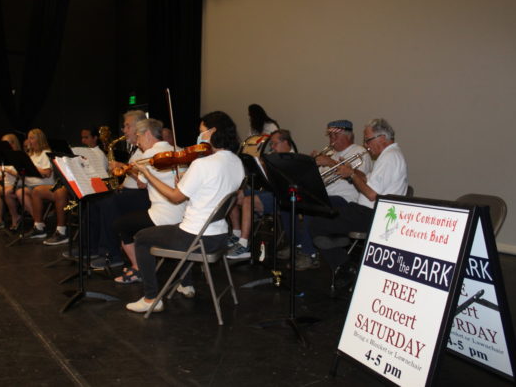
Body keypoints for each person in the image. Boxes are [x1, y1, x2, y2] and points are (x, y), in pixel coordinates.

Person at [125, 111, 244, 313]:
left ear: (213, 132)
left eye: (202, 132)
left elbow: (174, 197)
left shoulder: (202, 164)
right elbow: (212, 194)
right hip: (220, 236)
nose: (200, 137)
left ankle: (150, 298)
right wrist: (186, 186)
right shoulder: (236, 162)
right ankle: (185, 283)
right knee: (173, 228)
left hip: (196, 238)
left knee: (141, 238)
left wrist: (147, 174)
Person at [308, 118, 408, 281]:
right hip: (366, 210)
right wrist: (351, 171)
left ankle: (346, 266)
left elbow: (371, 195)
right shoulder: (390, 155)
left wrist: (352, 175)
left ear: (382, 138)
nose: (366, 145)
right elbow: (368, 180)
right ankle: (342, 251)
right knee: (323, 218)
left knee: (315, 223)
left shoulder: (389, 157)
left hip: (371, 214)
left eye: (368, 140)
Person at [112, 119, 186, 283]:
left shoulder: (148, 155)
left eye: (138, 137)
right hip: (184, 214)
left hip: (163, 215)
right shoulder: (178, 150)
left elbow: (141, 184)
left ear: (147, 134)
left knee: (120, 225)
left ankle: (138, 268)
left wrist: (130, 170)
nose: (137, 142)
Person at [86, 110, 151, 269]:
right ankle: (91, 248)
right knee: (93, 200)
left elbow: (145, 180)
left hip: (143, 195)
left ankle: (111, 254)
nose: (123, 130)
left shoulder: (149, 149)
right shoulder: (136, 149)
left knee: (109, 203)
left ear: (139, 127)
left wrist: (123, 167)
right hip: (130, 192)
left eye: (127, 126)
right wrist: (120, 185)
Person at [29, 127, 108, 245]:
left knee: (60, 192)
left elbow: (98, 177)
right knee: (37, 191)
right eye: (82, 138)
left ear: (95, 138)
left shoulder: (99, 154)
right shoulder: (80, 152)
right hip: (75, 185)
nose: (83, 141)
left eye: (86, 137)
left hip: (88, 189)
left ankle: (62, 231)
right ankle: (39, 227)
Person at [227, 129, 294, 259]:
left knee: (248, 200)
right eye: (272, 144)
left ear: (285, 142)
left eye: (275, 144)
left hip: (283, 198)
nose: (272, 147)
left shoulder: (294, 159)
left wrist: (267, 169)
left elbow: (285, 185)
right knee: (234, 193)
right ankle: (236, 233)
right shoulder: (274, 156)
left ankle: (243, 244)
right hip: (270, 192)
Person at [313, 120, 373, 207]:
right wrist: (311, 165)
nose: (332, 139)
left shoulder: (360, 151)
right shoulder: (329, 153)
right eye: (330, 135)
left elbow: (363, 178)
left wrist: (331, 163)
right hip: (326, 197)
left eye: (336, 135)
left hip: (345, 199)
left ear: (349, 137)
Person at [11, 129, 54, 237]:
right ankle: (39, 224)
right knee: (19, 192)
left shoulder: (46, 153)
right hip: (31, 186)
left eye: (32, 138)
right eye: (28, 138)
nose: (29, 141)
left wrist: (32, 168)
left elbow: (47, 173)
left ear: (39, 139)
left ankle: (39, 225)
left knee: (28, 191)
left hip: (45, 186)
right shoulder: (32, 155)